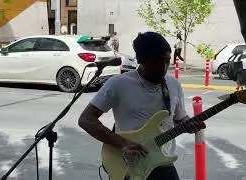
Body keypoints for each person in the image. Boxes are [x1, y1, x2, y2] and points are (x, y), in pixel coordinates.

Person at [78, 31, 206, 180]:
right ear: (142, 60)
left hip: (164, 163)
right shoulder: (119, 84)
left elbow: (179, 118)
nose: (164, 67)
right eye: (159, 62)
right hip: (130, 164)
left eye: (167, 60)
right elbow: (86, 119)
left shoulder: (173, 84)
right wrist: (123, 144)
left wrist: (188, 124)